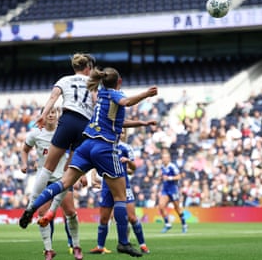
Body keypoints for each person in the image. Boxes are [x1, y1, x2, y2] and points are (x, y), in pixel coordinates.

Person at [19, 66, 158, 257]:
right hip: (105, 148)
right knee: (120, 197)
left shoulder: (100, 94)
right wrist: (146, 95)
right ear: (120, 81)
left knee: (64, 183)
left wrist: (141, 123)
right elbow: (126, 101)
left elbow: (116, 120)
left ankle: (32, 207)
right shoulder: (115, 94)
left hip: (86, 146)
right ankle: (123, 243)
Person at [20, 107, 82, 260]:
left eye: (54, 113)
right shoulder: (35, 133)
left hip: (62, 178)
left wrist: (78, 173)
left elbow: (76, 151)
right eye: (48, 113)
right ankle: (48, 249)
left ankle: (76, 246)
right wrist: (23, 163)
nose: (51, 115)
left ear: (57, 115)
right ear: (43, 115)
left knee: (71, 213)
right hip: (44, 179)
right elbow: (24, 149)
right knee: (42, 214)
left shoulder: (63, 131)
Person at [89, 128, 150, 255]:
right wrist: (93, 177)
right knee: (104, 218)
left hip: (124, 186)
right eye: (119, 132)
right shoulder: (104, 146)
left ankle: (143, 245)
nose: (120, 134)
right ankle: (100, 246)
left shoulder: (126, 148)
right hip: (107, 186)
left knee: (132, 217)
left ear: (125, 135)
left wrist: (127, 162)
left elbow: (133, 168)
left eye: (123, 132)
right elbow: (95, 162)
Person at [159, 151, 188, 233]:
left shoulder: (172, 166)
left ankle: (184, 224)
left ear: (169, 159)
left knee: (177, 208)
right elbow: (163, 176)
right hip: (165, 189)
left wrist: (169, 178)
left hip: (173, 190)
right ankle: (168, 224)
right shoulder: (162, 167)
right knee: (161, 206)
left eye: (166, 158)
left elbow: (179, 176)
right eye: (163, 158)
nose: (164, 159)